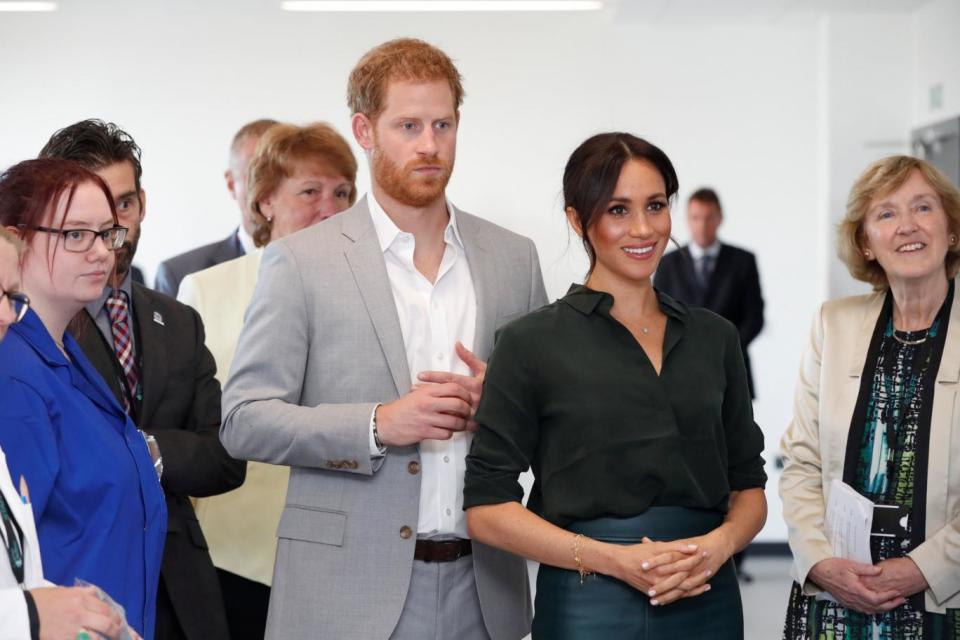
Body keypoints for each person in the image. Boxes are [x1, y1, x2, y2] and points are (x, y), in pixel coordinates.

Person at [220, 38, 547, 640]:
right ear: (364, 131)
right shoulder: (299, 261)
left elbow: (554, 417)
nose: (430, 144)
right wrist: (377, 425)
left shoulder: (513, 259)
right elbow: (243, 419)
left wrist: (501, 408)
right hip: (342, 592)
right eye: (408, 125)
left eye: (443, 124)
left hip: (487, 588)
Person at [463, 132, 768, 639]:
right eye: (618, 210)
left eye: (655, 206)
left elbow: (749, 487)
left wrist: (718, 547)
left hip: (706, 592)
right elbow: (487, 510)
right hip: (588, 599)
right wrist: (611, 559)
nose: (644, 229)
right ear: (578, 220)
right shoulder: (530, 342)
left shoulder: (715, 336)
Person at [39, 119, 246, 640]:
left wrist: (142, 450)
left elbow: (225, 455)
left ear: (143, 204)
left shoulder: (177, 319)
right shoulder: (29, 322)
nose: (114, 227)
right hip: (74, 583)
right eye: (93, 210)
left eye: (124, 205)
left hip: (182, 586)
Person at [178, 121, 358, 640]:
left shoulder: (377, 293)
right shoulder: (206, 290)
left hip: (342, 550)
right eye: (310, 191)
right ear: (264, 203)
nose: (331, 208)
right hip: (235, 554)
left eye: (343, 192)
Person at [780, 155, 960, 638]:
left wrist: (926, 568)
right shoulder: (832, 324)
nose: (907, 226)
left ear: (951, 229)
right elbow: (800, 461)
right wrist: (820, 562)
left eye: (923, 208)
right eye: (885, 214)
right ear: (866, 242)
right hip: (838, 600)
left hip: (945, 603)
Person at [0, 158, 166, 639]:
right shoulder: (16, 372)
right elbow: (15, 563)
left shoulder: (68, 353)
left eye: (107, 233)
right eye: (75, 234)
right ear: (15, 239)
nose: (101, 253)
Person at [653, 188, 764, 398]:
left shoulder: (743, 261)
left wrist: (724, 349)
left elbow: (754, 318)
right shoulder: (667, 263)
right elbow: (657, 315)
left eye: (709, 217)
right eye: (696, 218)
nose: (702, 225)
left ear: (720, 218)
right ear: (687, 219)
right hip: (681, 372)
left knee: (733, 430)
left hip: (732, 368)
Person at [154, 118, 278, 297]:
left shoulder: (324, 265)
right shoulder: (181, 276)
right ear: (231, 184)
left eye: (282, 177)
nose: (269, 189)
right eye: (256, 176)